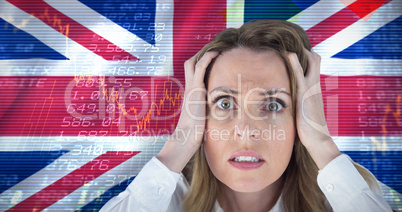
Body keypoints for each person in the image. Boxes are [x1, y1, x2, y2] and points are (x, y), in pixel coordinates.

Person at [100, 20, 392, 212]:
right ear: (199, 115)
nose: (246, 130)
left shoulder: (346, 198)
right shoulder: (163, 201)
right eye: (225, 103)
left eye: (274, 105)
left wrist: (321, 141)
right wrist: (179, 143)